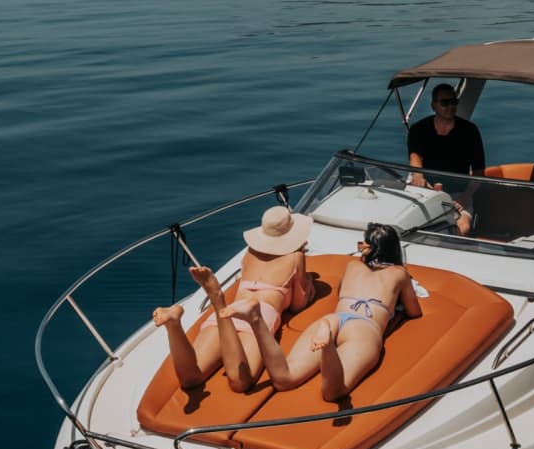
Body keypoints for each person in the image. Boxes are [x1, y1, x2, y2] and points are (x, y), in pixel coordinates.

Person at [222, 223, 422, 402]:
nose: (359, 246)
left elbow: (341, 292)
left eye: (362, 243)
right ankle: (327, 350)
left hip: (333, 319)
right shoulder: (400, 273)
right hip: (364, 327)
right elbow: (414, 311)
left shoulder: (352, 265)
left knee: (284, 379)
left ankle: (256, 320)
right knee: (334, 392)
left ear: (371, 248)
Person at [152, 206, 314, 393]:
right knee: (241, 382)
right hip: (259, 312)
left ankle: (175, 323)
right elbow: (297, 304)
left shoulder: (250, 253)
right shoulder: (296, 256)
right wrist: (309, 285)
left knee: (191, 378)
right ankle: (217, 299)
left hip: (230, 309)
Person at [407, 83, 485, 191]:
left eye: (454, 102)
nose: (451, 106)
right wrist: (418, 176)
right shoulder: (418, 129)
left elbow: (478, 171)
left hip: (458, 193)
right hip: (426, 189)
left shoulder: (470, 131)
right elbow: (415, 157)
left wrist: (466, 196)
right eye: (445, 103)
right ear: (433, 106)